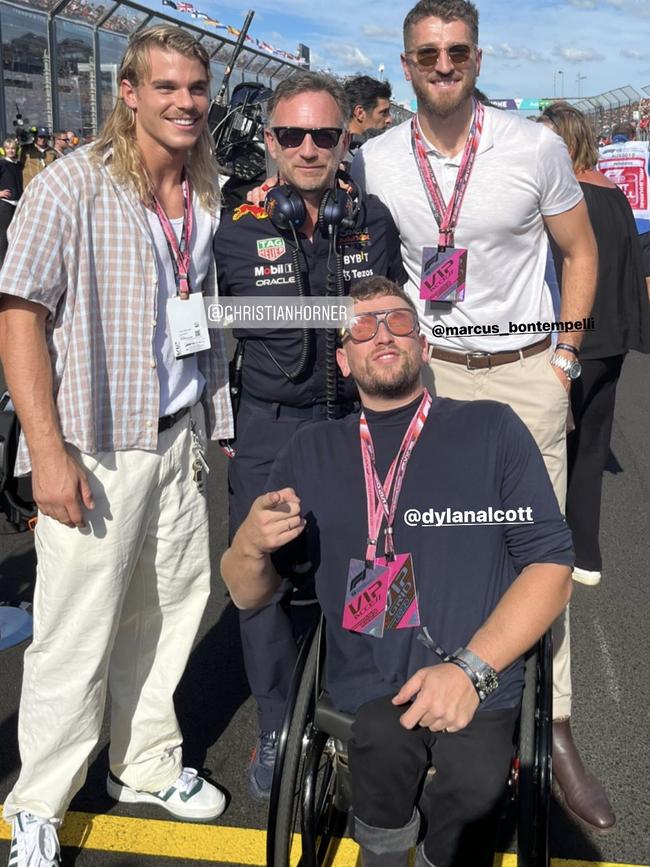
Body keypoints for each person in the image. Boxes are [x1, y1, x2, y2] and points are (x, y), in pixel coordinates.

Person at [349, 0, 614, 834]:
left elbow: (580, 251)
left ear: (476, 55)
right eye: (427, 51)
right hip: (427, 376)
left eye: (456, 49)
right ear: (405, 62)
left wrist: (564, 359)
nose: (443, 63)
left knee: (538, 549)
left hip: (522, 370)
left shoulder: (530, 145)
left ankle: (555, 724)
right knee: (397, 529)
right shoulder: (375, 158)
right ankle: (387, 694)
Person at [222, 276, 574, 867]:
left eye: (399, 322)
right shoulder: (312, 450)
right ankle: (382, 851)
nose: (383, 334)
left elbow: (552, 568)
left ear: (425, 346)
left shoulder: (491, 428)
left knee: (476, 784)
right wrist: (249, 546)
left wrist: (469, 671)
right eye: (363, 326)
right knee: (381, 741)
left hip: (476, 678)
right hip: (367, 687)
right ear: (343, 358)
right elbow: (248, 593)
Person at [0, 24, 232, 867]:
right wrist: (45, 451)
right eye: (166, 87)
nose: (185, 103)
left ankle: (145, 762)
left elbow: (198, 322)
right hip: (94, 445)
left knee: (169, 613)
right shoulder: (70, 186)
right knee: (76, 629)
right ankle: (37, 803)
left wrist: (218, 423)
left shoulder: (202, 194)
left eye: (196, 88)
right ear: (128, 93)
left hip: (175, 438)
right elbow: (19, 313)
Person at [214, 70, 407, 801]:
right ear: (270, 141)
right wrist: (221, 421)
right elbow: (195, 338)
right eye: (291, 134)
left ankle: (371, 706)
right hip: (271, 430)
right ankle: (275, 726)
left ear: (344, 140)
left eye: (324, 135)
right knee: (261, 581)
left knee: (376, 563)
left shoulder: (374, 221)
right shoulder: (233, 230)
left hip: (358, 424)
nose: (307, 147)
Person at [538, 103, 650, 588]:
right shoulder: (615, 195)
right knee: (591, 448)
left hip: (569, 337)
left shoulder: (561, 199)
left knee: (548, 444)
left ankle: (544, 549)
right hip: (612, 341)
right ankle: (587, 554)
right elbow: (633, 268)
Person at [0, 137, 23, 266]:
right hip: (5, 205)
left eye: (13, 148)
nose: (10, 151)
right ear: (4, 150)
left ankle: (12, 262)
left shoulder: (17, 165)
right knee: (4, 235)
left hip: (17, 204)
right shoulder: (2, 164)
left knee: (15, 234)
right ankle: (2, 264)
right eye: (8, 148)